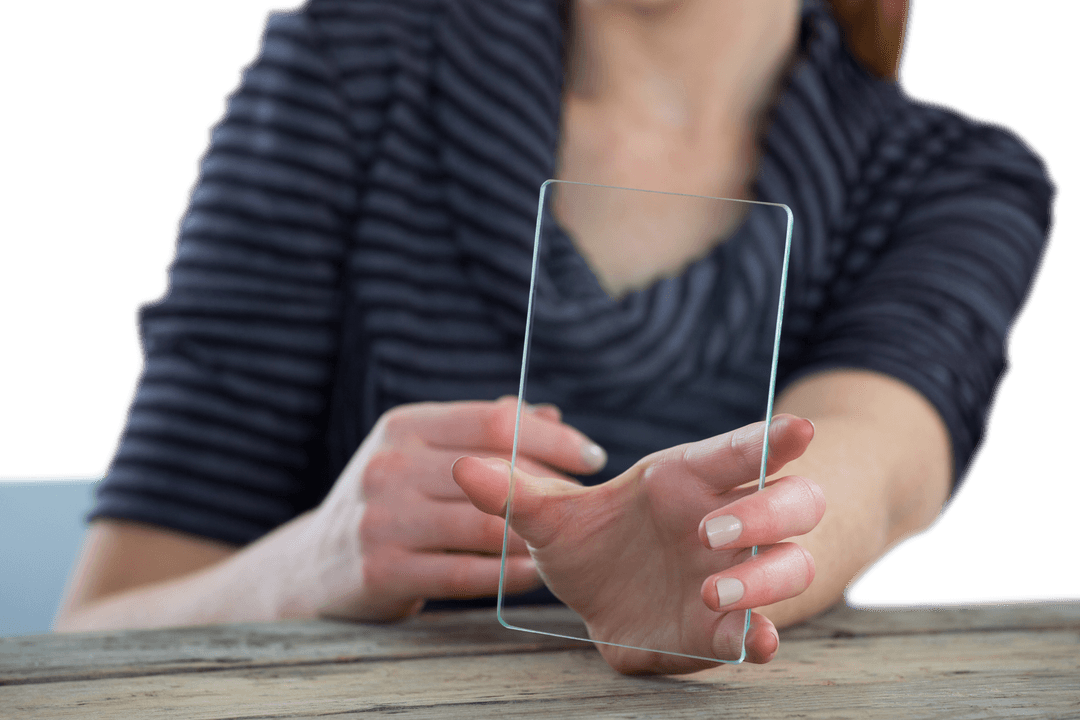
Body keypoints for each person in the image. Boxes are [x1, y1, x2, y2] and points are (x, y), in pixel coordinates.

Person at [53, 0, 1056, 676]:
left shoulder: (958, 177)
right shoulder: (348, 59)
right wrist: (315, 561)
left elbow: (875, 457)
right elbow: (97, 627)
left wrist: (714, 560)